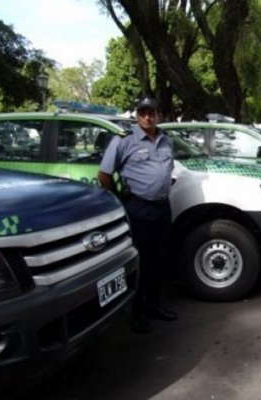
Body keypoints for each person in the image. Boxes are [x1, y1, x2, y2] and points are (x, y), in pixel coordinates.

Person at [98, 97, 176, 334]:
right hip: (139, 208)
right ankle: (138, 313)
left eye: (151, 112)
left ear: (159, 115)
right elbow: (104, 174)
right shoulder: (124, 141)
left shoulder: (166, 141)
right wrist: (120, 200)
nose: (147, 117)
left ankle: (155, 306)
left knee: (160, 258)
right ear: (137, 115)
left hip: (162, 207)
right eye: (142, 113)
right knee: (141, 260)